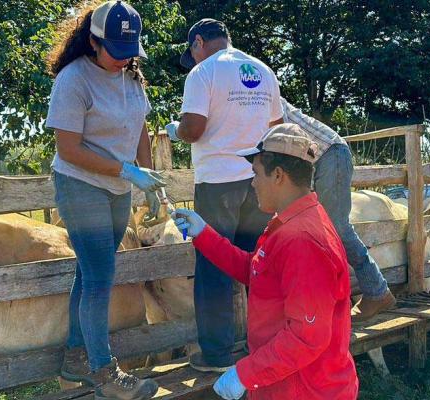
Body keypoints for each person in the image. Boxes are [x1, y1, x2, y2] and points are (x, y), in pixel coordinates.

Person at [171, 124, 359, 400]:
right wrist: (204, 234)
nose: (252, 183)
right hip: (286, 383)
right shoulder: (287, 223)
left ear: (279, 176)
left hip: (306, 390)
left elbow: (307, 337)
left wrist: (244, 374)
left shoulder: (303, 240)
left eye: (256, 173)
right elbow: (257, 272)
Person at [44, 1, 163, 398]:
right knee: (100, 278)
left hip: (117, 189)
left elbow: (142, 128)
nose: (125, 59)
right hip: (81, 185)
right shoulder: (73, 79)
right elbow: (69, 149)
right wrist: (127, 171)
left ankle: (76, 358)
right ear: (94, 41)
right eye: (117, 50)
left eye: (131, 51)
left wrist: (150, 182)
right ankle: (104, 374)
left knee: (90, 272)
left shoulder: (131, 78)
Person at [164, 18, 284, 372]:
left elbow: (194, 128)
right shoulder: (263, 71)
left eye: (193, 52)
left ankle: (216, 355)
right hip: (258, 182)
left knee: (215, 265)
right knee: (258, 266)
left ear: (198, 42)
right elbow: (276, 129)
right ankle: (263, 345)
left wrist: (175, 130)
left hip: (218, 183)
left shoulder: (203, 74)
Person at [280, 97, 396, 321]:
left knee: (336, 229)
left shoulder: (256, 91)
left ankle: (377, 291)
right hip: (317, 158)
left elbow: (278, 135)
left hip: (327, 153)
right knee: (314, 231)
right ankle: (325, 301)